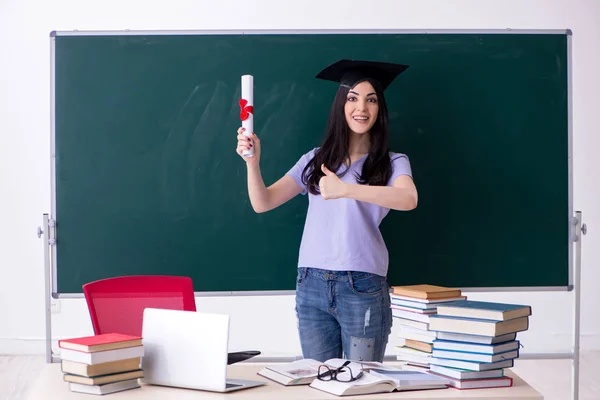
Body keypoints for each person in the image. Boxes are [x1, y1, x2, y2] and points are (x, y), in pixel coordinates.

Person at [235, 59, 418, 363]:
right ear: (341, 106)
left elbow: (408, 198)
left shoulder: (393, 162)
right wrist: (252, 164)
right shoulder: (314, 159)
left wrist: (347, 189)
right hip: (311, 286)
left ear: (379, 109)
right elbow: (263, 202)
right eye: (353, 98)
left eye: (371, 99)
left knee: (362, 382)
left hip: (362, 286)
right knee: (318, 383)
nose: (362, 107)